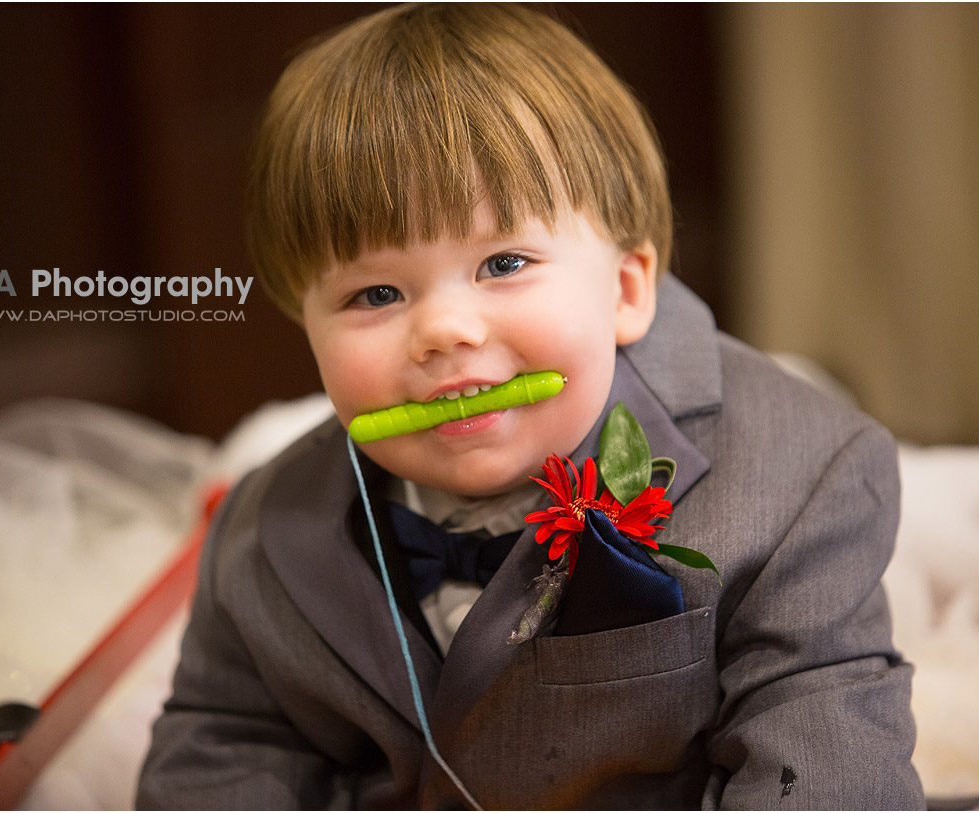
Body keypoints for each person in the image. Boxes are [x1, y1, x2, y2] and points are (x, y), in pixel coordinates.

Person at [137, 4, 923, 808]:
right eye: (375, 292)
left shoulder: (801, 476)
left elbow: (824, 752)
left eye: (502, 262)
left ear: (625, 288)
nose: (443, 330)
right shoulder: (264, 529)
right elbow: (225, 747)